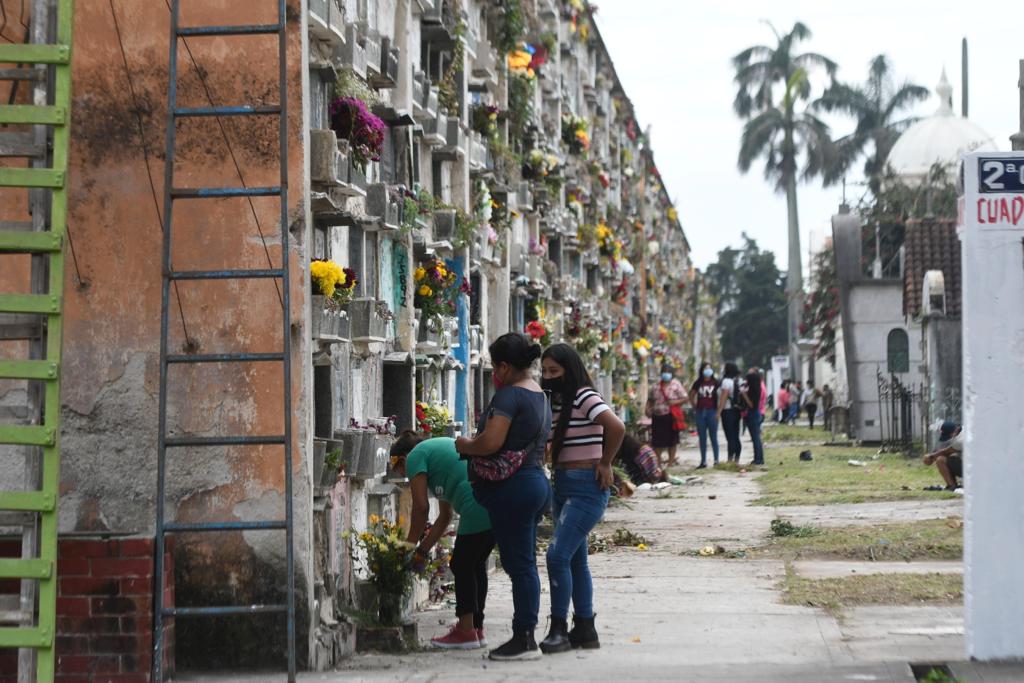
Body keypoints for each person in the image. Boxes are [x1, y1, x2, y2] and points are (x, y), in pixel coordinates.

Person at [455, 332, 551, 661]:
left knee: (520, 564)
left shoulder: (509, 396)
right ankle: (525, 634)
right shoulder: (540, 395)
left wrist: (466, 445)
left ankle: (524, 637)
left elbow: (491, 442)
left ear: (505, 366)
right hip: (534, 483)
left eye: (496, 366)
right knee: (523, 563)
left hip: (514, 489)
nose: (495, 373)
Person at [538, 344, 625, 654]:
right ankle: (585, 628)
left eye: (554, 371)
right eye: (545, 371)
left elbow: (616, 426)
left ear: (569, 370)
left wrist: (605, 462)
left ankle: (559, 628)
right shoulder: (558, 403)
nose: (548, 377)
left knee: (557, 556)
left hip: (586, 484)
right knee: (575, 559)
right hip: (562, 483)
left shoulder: (584, 396)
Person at [391, 433, 493, 650]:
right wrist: (422, 551)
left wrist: (407, 548)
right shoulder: (436, 458)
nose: (406, 476)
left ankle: (465, 632)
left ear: (402, 458)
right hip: (489, 502)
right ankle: (476, 629)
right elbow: (444, 517)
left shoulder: (415, 456)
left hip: (474, 502)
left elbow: (421, 508)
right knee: (474, 566)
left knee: (462, 564)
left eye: (401, 470)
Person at [645, 363, 687, 467]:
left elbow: (685, 397)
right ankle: (658, 462)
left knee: (672, 440)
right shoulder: (655, 386)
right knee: (657, 441)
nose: (666, 374)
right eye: (664, 372)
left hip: (670, 415)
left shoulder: (676, 384)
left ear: (671, 374)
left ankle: (670, 462)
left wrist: (675, 402)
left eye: (668, 372)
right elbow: (650, 400)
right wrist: (647, 409)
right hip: (657, 416)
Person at [689, 361, 720, 468]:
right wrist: (694, 406)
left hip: (712, 411)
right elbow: (691, 395)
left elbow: (721, 396)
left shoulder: (716, 382)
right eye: (705, 368)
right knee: (702, 437)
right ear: (702, 371)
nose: (708, 371)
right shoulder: (698, 383)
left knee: (713, 437)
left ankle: (716, 460)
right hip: (700, 412)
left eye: (709, 368)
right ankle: (703, 461)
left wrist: (718, 412)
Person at [922, 421, 964, 491]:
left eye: (949, 435)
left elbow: (946, 452)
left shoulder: (960, 440)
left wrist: (931, 457)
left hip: (972, 470)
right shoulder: (964, 430)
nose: (949, 438)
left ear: (955, 431)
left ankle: (952, 486)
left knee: (940, 460)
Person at [718, 362, 743, 464]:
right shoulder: (738, 380)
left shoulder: (726, 382)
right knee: (736, 435)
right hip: (736, 411)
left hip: (727, 411)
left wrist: (718, 412)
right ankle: (737, 457)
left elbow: (724, 398)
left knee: (730, 436)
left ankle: (730, 457)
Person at [740, 368, 765, 466]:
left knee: (755, 438)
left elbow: (752, 405)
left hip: (753, 415)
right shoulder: (756, 388)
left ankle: (758, 459)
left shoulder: (755, 391)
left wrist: (744, 395)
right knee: (756, 438)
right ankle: (758, 458)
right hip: (754, 415)